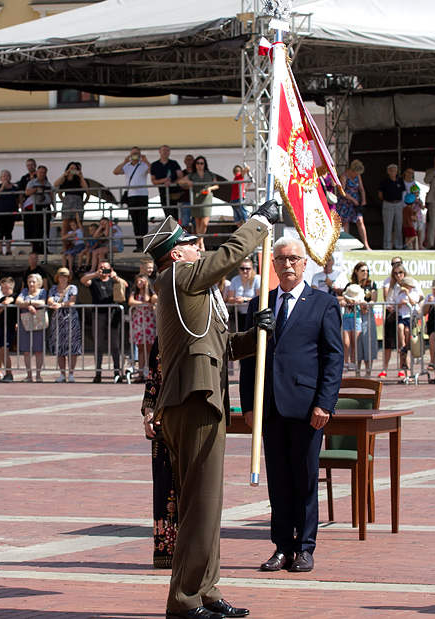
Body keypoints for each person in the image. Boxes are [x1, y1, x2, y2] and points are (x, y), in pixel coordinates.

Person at [144, 202, 277, 619]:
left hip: (202, 398)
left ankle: (205, 590)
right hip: (193, 400)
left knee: (207, 503)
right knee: (199, 504)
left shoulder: (194, 291)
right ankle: (185, 600)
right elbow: (227, 258)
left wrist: (257, 334)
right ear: (174, 254)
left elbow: (219, 348)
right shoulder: (179, 278)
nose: (196, 246)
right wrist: (257, 223)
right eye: (188, 242)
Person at [239, 235, 342, 575]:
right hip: (269, 407)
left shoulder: (322, 303)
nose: (287, 265)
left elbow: (333, 358)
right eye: (280, 259)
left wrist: (325, 403)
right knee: (279, 482)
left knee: (305, 480)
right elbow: (248, 358)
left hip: (306, 407)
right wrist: (247, 405)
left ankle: (305, 548)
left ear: (304, 263)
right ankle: (282, 546)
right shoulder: (261, 304)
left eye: (293, 259)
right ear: (273, 264)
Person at [141, 338, 176, 570]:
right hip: (164, 424)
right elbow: (153, 379)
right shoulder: (161, 340)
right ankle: (166, 549)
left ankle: (190, 551)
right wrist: (149, 412)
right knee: (164, 486)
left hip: (190, 422)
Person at [81, 261, 129, 383]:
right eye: (101, 268)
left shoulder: (114, 281)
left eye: (105, 268)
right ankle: (98, 373)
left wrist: (115, 276)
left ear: (110, 269)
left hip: (113, 315)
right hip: (98, 315)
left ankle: (117, 372)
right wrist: (95, 274)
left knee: (115, 345)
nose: (103, 270)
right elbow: (83, 280)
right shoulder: (95, 281)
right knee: (98, 345)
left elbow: (126, 285)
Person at [114, 146, 152, 252]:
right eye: (133, 154)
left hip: (142, 195)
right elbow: (116, 172)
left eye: (137, 153)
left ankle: (145, 245)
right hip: (131, 196)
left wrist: (146, 160)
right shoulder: (126, 166)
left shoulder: (144, 165)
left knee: (143, 222)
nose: (135, 156)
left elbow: (153, 171)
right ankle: (139, 245)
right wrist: (124, 161)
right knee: (135, 222)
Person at [47, 267, 82, 383]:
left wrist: (60, 305)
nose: (63, 278)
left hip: (70, 320)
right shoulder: (53, 288)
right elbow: (50, 300)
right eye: (61, 276)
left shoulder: (72, 288)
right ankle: (62, 373)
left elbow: (72, 301)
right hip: (58, 321)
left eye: (65, 276)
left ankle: (71, 373)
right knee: (60, 347)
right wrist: (54, 304)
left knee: (72, 347)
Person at [16, 273, 47, 382]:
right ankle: (29, 375)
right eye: (29, 282)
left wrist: (29, 302)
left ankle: (38, 375)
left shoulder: (42, 292)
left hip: (38, 322)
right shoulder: (24, 291)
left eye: (33, 282)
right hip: (25, 322)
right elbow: (18, 301)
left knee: (38, 350)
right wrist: (29, 306)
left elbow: (42, 302)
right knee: (26, 351)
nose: (31, 284)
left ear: (38, 283)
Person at [378, 257, 404, 379]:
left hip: (403, 315)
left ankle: (402, 368)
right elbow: (386, 298)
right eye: (394, 265)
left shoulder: (407, 282)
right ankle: (385, 368)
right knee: (388, 343)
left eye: (399, 265)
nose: (398, 273)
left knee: (402, 343)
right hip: (392, 315)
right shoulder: (389, 282)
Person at [335, 160, 371, 249]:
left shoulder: (358, 177)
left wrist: (363, 200)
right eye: (355, 173)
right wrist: (352, 199)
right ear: (352, 170)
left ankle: (366, 244)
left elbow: (361, 189)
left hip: (356, 202)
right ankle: (347, 245)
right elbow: (342, 191)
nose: (356, 175)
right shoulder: (344, 176)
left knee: (360, 221)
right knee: (345, 223)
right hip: (345, 201)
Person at [128, 274, 157, 379]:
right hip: (138, 322)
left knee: (149, 347)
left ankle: (148, 371)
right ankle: (140, 372)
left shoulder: (151, 293)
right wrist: (142, 303)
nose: (140, 283)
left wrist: (146, 288)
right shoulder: (134, 293)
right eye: (139, 281)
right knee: (140, 348)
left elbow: (147, 298)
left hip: (148, 323)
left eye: (142, 281)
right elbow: (131, 302)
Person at [188, 156, 219, 252]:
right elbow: (181, 181)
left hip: (207, 198)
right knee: (198, 222)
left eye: (201, 163)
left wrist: (210, 188)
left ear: (204, 164)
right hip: (197, 198)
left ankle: (197, 242)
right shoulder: (192, 175)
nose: (199, 165)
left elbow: (216, 185)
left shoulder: (210, 174)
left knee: (204, 223)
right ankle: (202, 245)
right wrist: (188, 182)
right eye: (198, 163)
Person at [54, 161, 88, 249]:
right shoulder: (64, 179)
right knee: (66, 225)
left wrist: (81, 176)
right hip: (67, 204)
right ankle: (65, 247)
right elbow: (56, 185)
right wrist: (64, 174)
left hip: (77, 203)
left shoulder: (79, 179)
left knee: (78, 224)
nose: (73, 170)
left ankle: (77, 245)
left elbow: (86, 188)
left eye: (74, 169)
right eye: (71, 168)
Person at [24, 165, 53, 254]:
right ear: (37, 173)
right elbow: (27, 192)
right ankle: (36, 249)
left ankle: (45, 248)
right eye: (40, 172)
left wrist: (54, 208)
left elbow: (51, 196)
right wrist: (36, 189)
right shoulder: (32, 183)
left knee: (46, 228)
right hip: (37, 207)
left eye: (44, 173)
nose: (42, 174)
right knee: (36, 229)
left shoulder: (48, 184)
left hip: (46, 207)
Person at [151, 145, 184, 220]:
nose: (165, 152)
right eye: (164, 150)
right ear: (160, 151)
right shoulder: (155, 165)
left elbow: (180, 176)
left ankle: (176, 230)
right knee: (168, 214)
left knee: (176, 214)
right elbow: (153, 181)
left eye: (167, 150)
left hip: (175, 193)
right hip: (163, 193)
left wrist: (172, 184)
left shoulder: (174, 163)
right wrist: (163, 181)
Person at [0, 170, 19, 256]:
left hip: (10, 213)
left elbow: (18, 198)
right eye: (4, 176)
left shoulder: (14, 188)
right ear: (1, 178)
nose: (6, 177)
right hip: (0, 213)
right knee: (0, 231)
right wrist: (2, 187)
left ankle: (8, 250)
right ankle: (0, 250)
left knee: (8, 231)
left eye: (8, 176)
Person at [0, 277, 17, 383]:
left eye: (2, 288)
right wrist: (2, 306)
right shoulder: (1, 299)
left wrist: (3, 304)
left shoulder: (14, 296)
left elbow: (10, 300)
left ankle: (9, 373)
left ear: (7, 287)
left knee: (5, 350)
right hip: (0, 326)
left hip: (9, 327)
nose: (1, 290)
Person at [379, 163, 406, 250]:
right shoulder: (384, 181)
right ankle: (387, 246)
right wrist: (386, 201)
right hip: (388, 204)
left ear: (397, 172)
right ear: (388, 171)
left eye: (394, 170)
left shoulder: (400, 181)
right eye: (391, 170)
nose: (393, 172)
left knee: (398, 225)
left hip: (398, 204)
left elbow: (403, 192)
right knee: (388, 226)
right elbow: (380, 194)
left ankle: (399, 245)